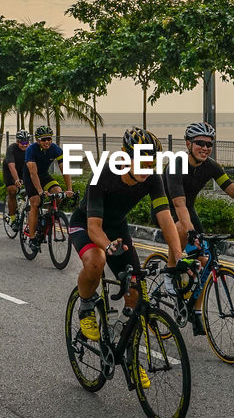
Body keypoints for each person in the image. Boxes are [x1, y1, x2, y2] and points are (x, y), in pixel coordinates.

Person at [69, 127, 188, 349]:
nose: (147, 168)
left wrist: (179, 255)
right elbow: (94, 228)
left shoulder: (152, 179)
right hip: (86, 225)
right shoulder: (103, 175)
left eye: (151, 163)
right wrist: (107, 245)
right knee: (97, 261)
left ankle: (130, 355)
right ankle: (85, 304)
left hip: (117, 229)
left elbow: (165, 218)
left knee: (135, 293)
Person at [162, 121, 234, 334]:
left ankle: (196, 312)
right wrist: (192, 234)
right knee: (180, 227)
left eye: (209, 144)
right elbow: (178, 205)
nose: (205, 147)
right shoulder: (176, 164)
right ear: (188, 143)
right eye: (200, 143)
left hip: (188, 210)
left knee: (205, 262)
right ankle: (170, 272)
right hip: (166, 209)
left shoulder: (212, 166)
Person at [24, 125, 74, 252]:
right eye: (44, 139)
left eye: (49, 139)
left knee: (58, 194)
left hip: (44, 175)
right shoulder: (31, 150)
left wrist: (69, 189)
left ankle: (48, 218)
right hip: (31, 177)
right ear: (38, 140)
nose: (47, 142)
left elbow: (65, 170)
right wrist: (40, 191)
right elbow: (33, 173)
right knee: (35, 202)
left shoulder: (55, 149)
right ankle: (32, 236)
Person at [2, 129, 30, 225]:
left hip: (22, 170)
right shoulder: (11, 148)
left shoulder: (30, 150)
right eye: (22, 142)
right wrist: (16, 180)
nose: (24, 145)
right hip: (10, 170)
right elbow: (11, 166)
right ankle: (12, 218)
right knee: (13, 190)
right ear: (17, 141)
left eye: (26, 142)